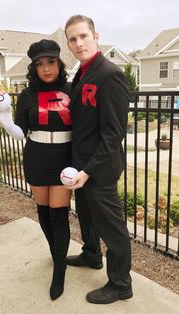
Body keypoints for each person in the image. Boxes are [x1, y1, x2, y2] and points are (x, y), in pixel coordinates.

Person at [0, 39, 72, 300]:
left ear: (59, 62)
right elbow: (20, 132)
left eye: (51, 61)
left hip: (64, 157)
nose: (46, 68)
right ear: (33, 67)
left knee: (59, 214)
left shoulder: (73, 89)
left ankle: (59, 270)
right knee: (44, 211)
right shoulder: (27, 95)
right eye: (40, 63)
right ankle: (56, 253)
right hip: (36, 155)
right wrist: (2, 117)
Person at [64, 15, 133, 304]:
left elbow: (113, 134)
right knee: (87, 215)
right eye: (72, 39)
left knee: (112, 227)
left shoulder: (110, 74)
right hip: (82, 165)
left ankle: (120, 284)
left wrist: (89, 170)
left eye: (83, 36)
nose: (79, 43)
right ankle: (92, 254)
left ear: (96, 36)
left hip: (100, 169)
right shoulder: (80, 72)